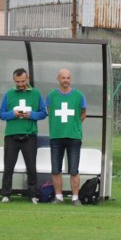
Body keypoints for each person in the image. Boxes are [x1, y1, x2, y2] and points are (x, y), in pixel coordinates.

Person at [0, 68, 47, 203]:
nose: (20, 84)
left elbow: (43, 113)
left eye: (22, 81)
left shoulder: (36, 94)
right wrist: (13, 114)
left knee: (31, 166)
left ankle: (32, 195)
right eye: (17, 81)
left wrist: (31, 115)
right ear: (14, 80)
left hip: (29, 135)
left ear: (28, 79)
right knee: (8, 166)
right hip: (11, 135)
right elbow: (2, 114)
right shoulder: (8, 94)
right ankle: (6, 194)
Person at [46, 69, 87, 205]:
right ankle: (59, 196)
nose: (66, 80)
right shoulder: (51, 96)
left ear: (71, 79)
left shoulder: (79, 96)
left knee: (74, 169)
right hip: (56, 136)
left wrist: (74, 125)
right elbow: (49, 111)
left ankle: (75, 198)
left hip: (74, 137)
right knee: (56, 168)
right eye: (63, 78)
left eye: (68, 78)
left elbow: (83, 113)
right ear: (58, 78)